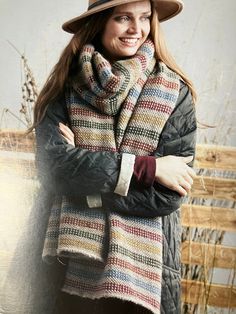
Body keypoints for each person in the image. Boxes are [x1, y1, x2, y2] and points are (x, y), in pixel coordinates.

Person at [32, 0, 197, 313]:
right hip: (66, 269)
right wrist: (146, 168)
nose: (136, 30)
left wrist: (83, 177)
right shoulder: (64, 88)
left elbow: (166, 195)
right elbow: (53, 169)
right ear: (100, 23)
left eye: (145, 18)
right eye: (123, 18)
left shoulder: (176, 93)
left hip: (147, 275)